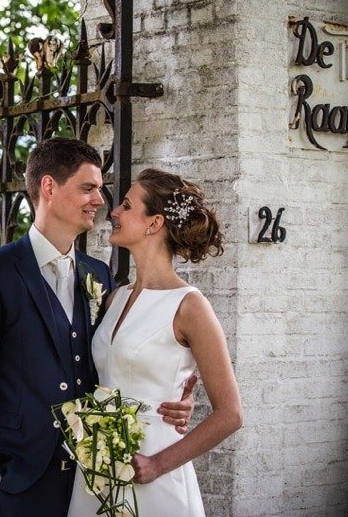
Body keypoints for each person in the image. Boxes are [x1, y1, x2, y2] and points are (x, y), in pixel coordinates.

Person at [0, 138, 197, 517]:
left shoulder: (98, 275)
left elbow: (116, 359)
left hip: (94, 479)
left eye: (100, 190)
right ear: (49, 188)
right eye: (88, 188)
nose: (101, 201)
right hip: (18, 483)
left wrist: (175, 394)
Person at [67, 168, 243, 517]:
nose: (113, 212)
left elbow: (231, 414)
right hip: (99, 465)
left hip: (152, 468)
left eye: (127, 206)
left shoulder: (190, 306)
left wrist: (158, 464)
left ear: (154, 223)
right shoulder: (113, 298)